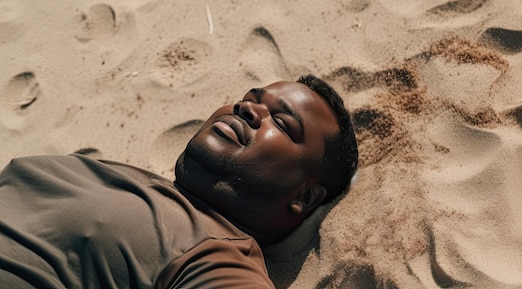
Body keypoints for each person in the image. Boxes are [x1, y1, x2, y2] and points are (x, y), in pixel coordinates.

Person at [0, 75, 358, 289]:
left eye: (281, 124)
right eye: (250, 100)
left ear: (304, 196)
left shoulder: (216, 254)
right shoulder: (133, 186)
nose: (248, 110)